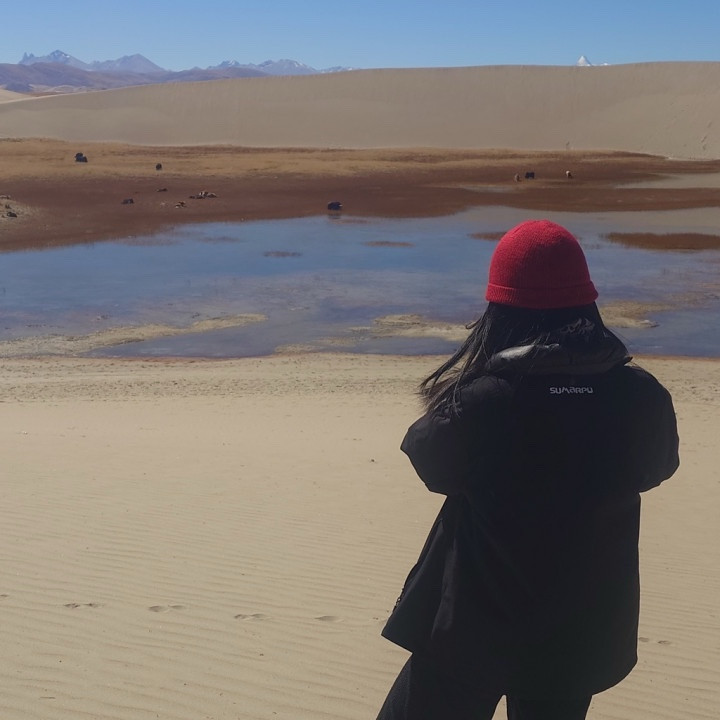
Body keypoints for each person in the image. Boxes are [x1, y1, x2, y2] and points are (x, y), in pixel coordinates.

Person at [376, 220, 680, 720]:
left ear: (500, 311)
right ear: (587, 302)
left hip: (469, 630)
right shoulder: (640, 396)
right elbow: (656, 468)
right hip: (580, 633)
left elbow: (430, 461)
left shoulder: (482, 402)